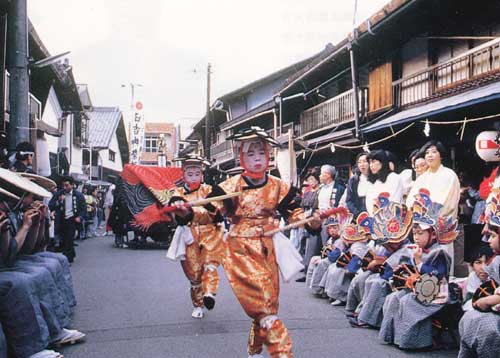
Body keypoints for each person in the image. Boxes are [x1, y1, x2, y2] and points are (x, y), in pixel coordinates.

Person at [217, 127, 304, 358]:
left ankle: (254, 350)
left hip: (268, 247)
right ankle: (282, 353)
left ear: (268, 156)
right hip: (240, 248)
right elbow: (210, 211)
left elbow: (293, 211)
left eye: (261, 153)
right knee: (263, 306)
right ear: (241, 157)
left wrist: (307, 220)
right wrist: (185, 212)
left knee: (269, 305)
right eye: (250, 154)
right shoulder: (231, 186)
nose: (256, 159)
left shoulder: (278, 186)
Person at [380, 189, 456, 349]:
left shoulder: (439, 252)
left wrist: (420, 263)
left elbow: (438, 275)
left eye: (421, 233)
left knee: (408, 301)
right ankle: (393, 336)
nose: (416, 237)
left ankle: (417, 342)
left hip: (435, 293)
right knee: (394, 298)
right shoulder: (415, 248)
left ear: (433, 235)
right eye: (415, 233)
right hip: (418, 289)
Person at [167, 155, 225, 319]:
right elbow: (176, 213)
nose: (194, 177)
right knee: (194, 274)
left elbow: (218, 211)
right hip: (189, 235)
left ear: (202, 175)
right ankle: (198, 304)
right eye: (190, 174)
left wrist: (208, 205)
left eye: (197, 174)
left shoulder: (209, 190)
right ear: (183, 175)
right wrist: (178, 209)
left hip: (210, 232)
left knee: (210, 264)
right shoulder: (178, 193)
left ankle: (209, 293)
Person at [458, 190, 500, 358]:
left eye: (492, 235)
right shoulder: (497, 261)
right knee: (470, 319)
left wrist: (490, 300)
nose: (488, 240)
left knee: (487, 327)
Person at [48, 176, 86, 263]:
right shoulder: (59, 194)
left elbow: (83, 210)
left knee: (69, 238)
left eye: (67, 185)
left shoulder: (79, 196)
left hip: (72, 220)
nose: (64, 187)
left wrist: (80, 217)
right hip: (61, 220)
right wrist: (59, 202)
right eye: (63, 185)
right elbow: (51, 205)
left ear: (72, 185)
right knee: (64, 239)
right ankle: (71, 254)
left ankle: (67, 259)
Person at [365, 150, 404, 216]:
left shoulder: (394, 177)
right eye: (370, 162)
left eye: (374, 162)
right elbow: (369, 201)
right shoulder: (375, 181)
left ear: (382, 162)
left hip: (393, 219)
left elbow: (393, 200)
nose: (371, 165)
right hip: (376, 219)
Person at [345, 152, 369, 218]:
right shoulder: (353, 180)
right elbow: (348, 200)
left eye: (364, 161)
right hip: (359, 217)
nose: (362, 164)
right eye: (359, 162)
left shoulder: (376, 179)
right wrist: (358, 214)